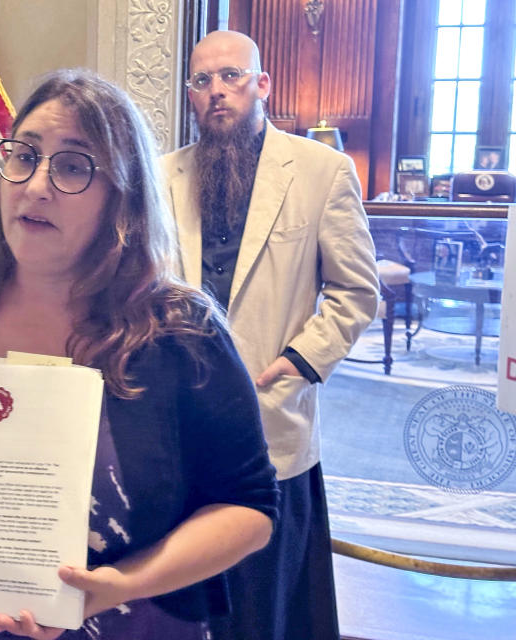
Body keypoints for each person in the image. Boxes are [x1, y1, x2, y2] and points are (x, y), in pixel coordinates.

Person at [0, 68, 279, 640]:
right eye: (24, 156)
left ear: (122, 196)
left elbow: (249, 507)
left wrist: (122, 583)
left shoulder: (181, 332)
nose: (36, 184)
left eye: (73, 166)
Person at [162, 30, 380, 640]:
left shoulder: (322, 171)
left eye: (231, 76)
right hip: (180, 427)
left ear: (262, 84)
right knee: (188, 606)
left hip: (273, 417)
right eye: (203, 81)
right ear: (191, 96)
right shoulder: (161, 175)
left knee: (266, 610)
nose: (217, 92)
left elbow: (357, 291)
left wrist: (298, 360)